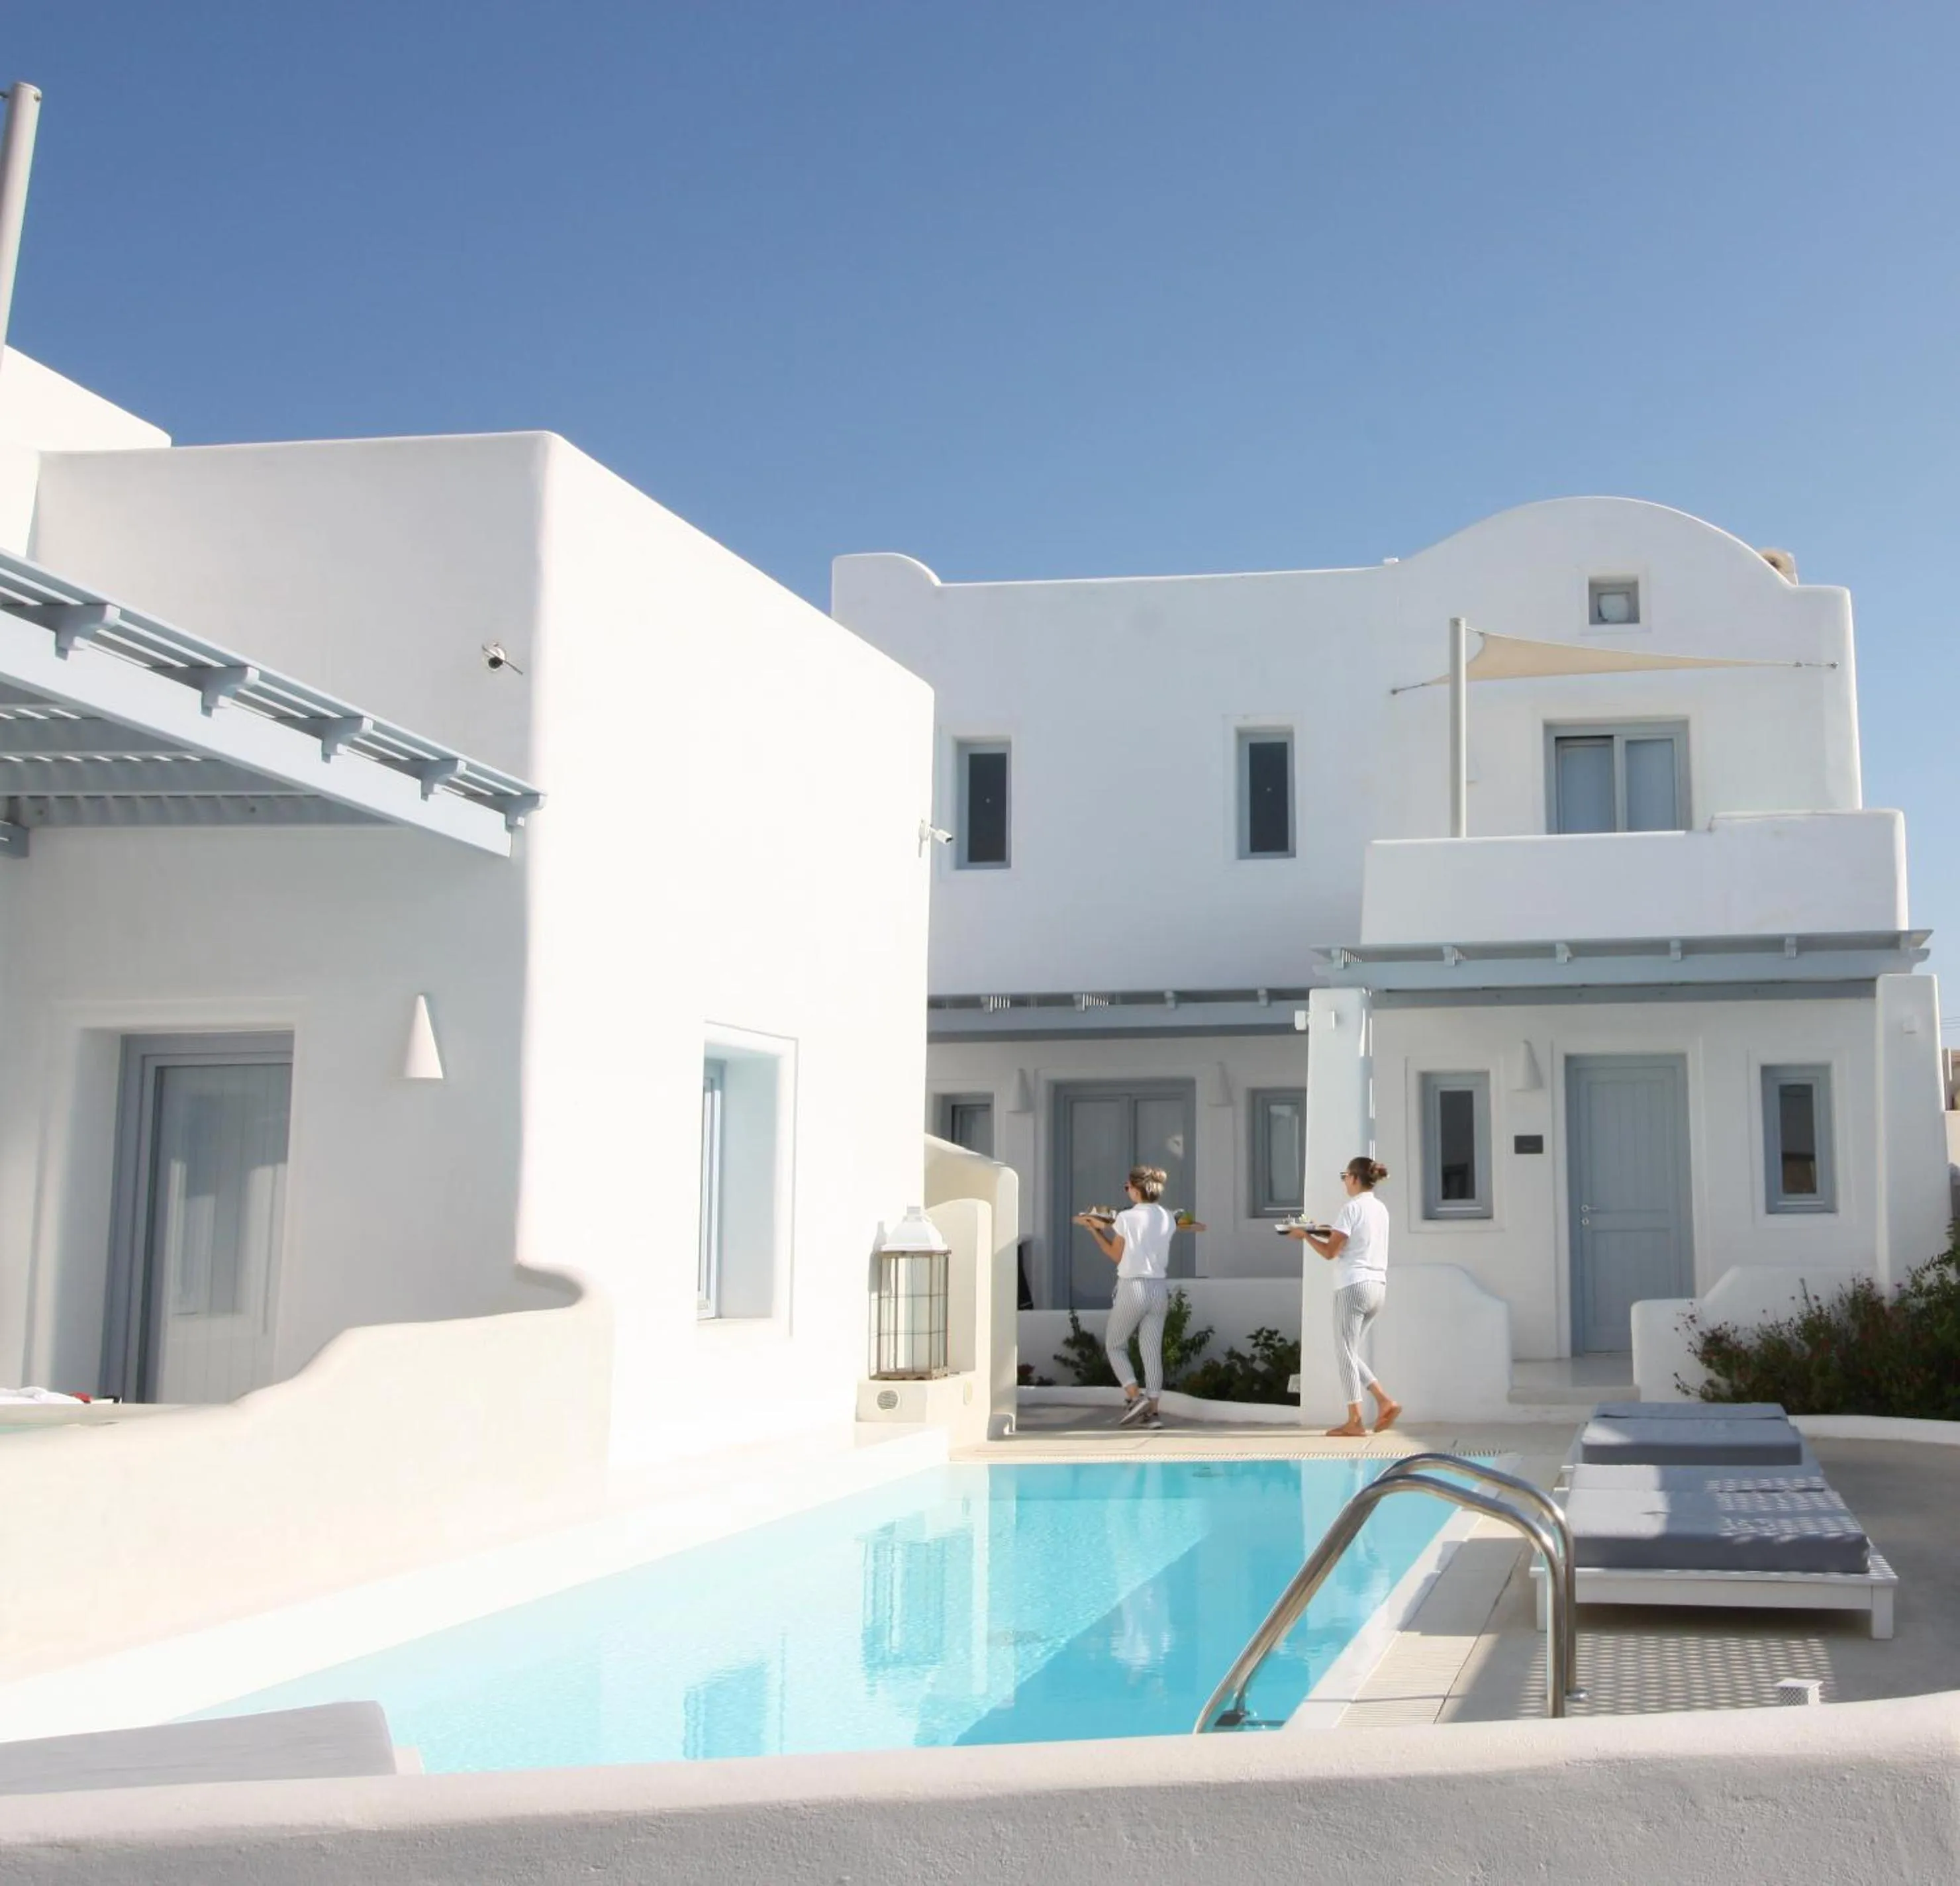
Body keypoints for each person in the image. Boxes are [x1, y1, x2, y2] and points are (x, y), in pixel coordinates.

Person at [1073, 1167, 1206, 1426]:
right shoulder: (1168, 1217)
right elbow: (1193, 1227)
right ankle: (1153, 1414)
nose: (1127, 1191)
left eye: (1127, 1188)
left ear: (1136, 1190)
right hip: (1158, 1289)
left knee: (1115, 1345)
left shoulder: (1126, 1218)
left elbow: (1115, 1255)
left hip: (1133, 1287)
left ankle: (1135, 1397)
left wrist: (1095, 1232)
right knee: (1151, 1352)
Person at [1287, 1156, 1402, 1438]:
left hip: (1353, 1286)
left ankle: (1356, 1419)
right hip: (1377, 1286)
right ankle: (1384, 1402)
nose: (1343, 1182)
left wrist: (1305, 1236)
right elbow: (1353, 1239)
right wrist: (1326, 1230)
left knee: (1345, 1353)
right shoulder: (1380, 1209)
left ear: (1354, 1178)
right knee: (1350, 1352)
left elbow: (1330, 1253)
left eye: (1345, 1176)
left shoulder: (1350, 1209)